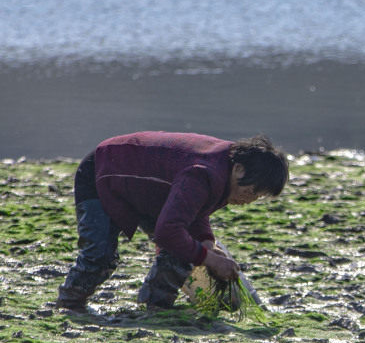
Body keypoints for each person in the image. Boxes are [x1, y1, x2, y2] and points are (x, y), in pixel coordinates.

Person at [55, 131, 288, 312]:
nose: (249, 200)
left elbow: (194, 211)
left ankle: (155, 306)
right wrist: (210, 260)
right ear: (239, 169)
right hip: (104, 169)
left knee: (186, 248)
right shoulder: (205, 172)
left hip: (150, 189)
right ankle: (69, 304)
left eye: (257, 197)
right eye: (251, 192)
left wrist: (207, 244)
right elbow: (168, 232)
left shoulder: (227, 172)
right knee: (100, 255)